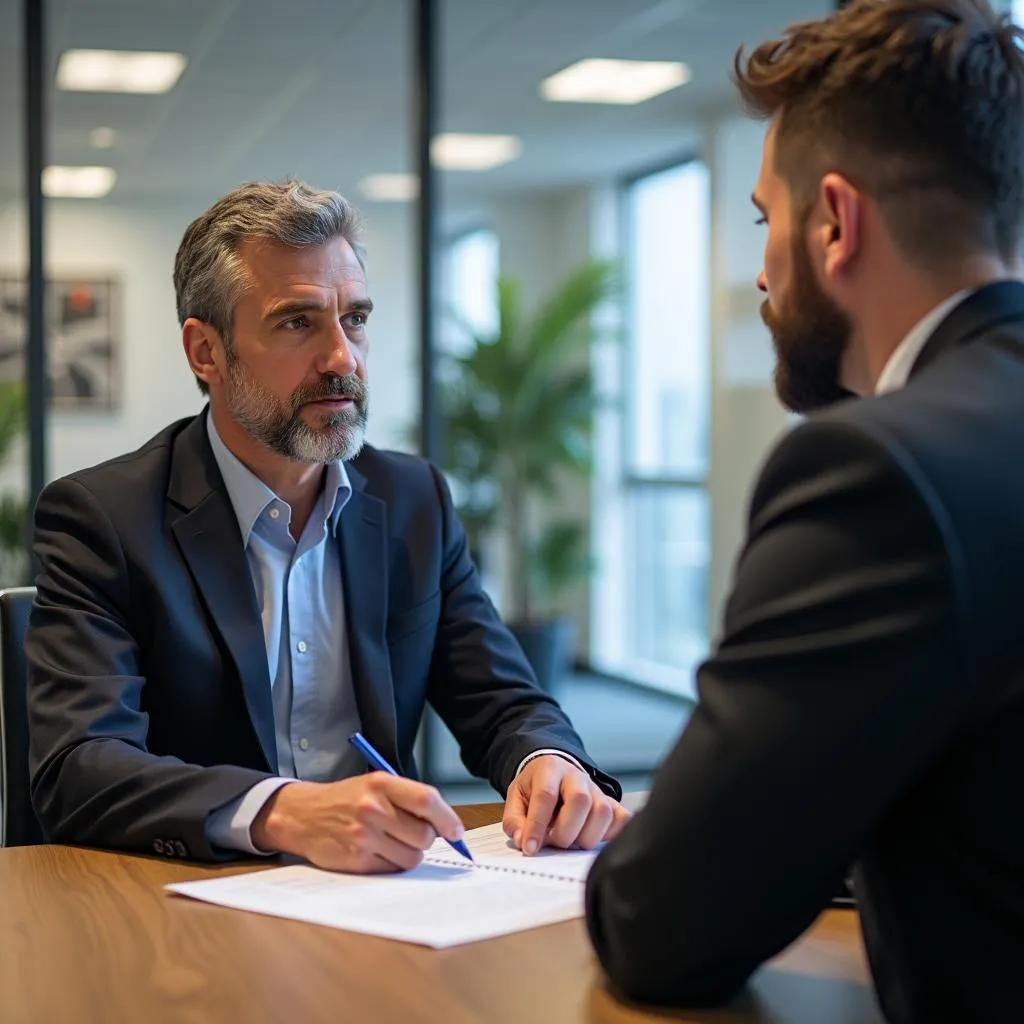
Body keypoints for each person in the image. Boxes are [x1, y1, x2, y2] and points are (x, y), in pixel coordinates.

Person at [585, 1, 1024, 1021]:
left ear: (833, 222)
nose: (759, 270)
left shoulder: (877, 472)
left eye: (761, 219)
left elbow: (659, 921)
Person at [26, 180, 630, 872]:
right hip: (188, 900)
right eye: (297, 322)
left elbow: (502, 698)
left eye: (357, 319)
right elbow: (78, 767)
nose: (342, 358)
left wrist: (547, 760)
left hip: (382, 898)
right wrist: (282, 811)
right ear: (206, 353)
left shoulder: (413, 500)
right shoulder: (106, 519)